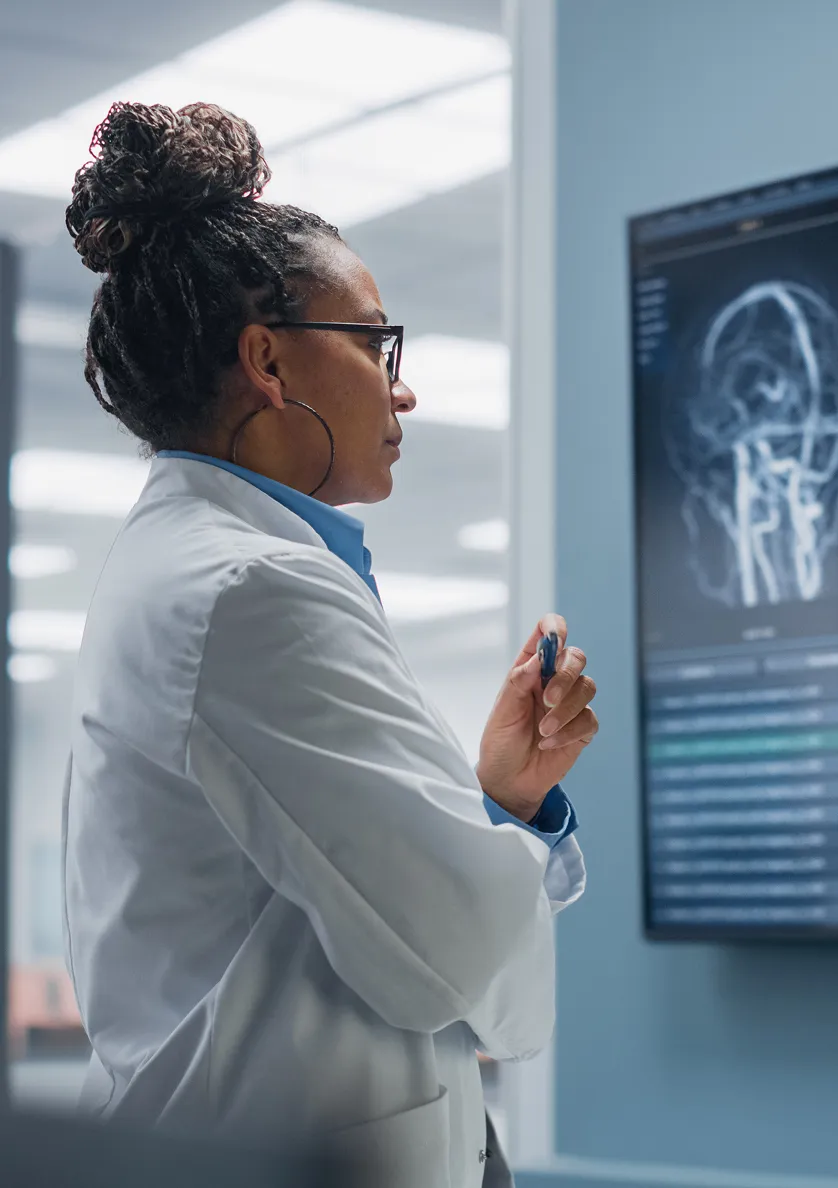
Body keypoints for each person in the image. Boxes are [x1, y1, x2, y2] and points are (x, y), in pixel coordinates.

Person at [60, 102, 596, 1188]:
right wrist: (504, 849)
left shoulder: (196, 564)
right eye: (374, 341)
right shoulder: (251, 587)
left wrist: (501, 802)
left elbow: (358, 899)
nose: (401, 386)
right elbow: (459, 958)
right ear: (269, 359)